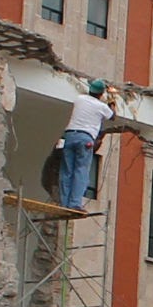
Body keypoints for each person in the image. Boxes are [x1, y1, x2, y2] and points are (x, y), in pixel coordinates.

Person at [58, 80, 116, 210]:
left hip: (70, 136)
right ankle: (74, 203)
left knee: (67, 171)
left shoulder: (79, 99)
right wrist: (112, 102)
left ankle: (64, 203)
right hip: (85, 139)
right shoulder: (101, 106)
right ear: (101, 94)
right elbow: (113, 116)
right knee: (81, 170)